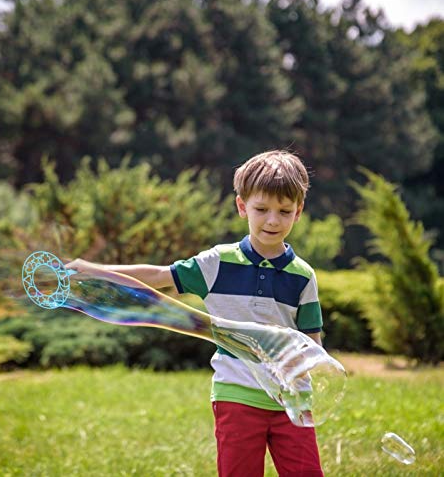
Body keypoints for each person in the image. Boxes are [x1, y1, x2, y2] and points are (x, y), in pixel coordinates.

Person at [66, 150, 324, 477]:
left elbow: (312, 344)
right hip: (237, 396)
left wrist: (305, 370)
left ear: (298, 212)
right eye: (261, 209)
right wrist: (96, 270)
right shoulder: (217, 263)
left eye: (284, 211)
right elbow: (160, 276)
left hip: (293, 403)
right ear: (242, 206)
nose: (272, 220)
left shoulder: (303, 276)